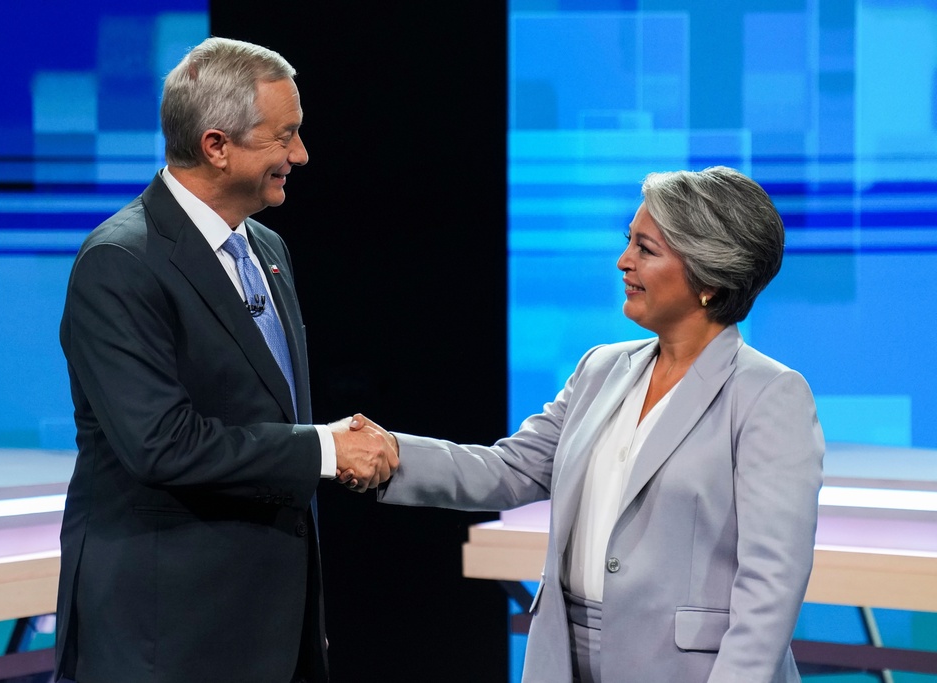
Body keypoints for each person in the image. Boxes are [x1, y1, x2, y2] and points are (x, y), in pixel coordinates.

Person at [345, 167, 825, 682]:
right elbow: (512, 469)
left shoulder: (768, 394)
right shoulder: (600, 369)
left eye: (646, 249)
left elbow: (771, 584)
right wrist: (394, 453)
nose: (624, 262)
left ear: (708, 278)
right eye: (629, 243)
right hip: (565, 660)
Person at [56, 37, 397, 683]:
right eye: (284, 136)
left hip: (270, 624)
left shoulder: (266, 247)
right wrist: (324, 449)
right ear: (216, 145)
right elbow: (160, 443)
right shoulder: (120, 263)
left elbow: (262, 409)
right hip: (166, 634)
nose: (300, 154)